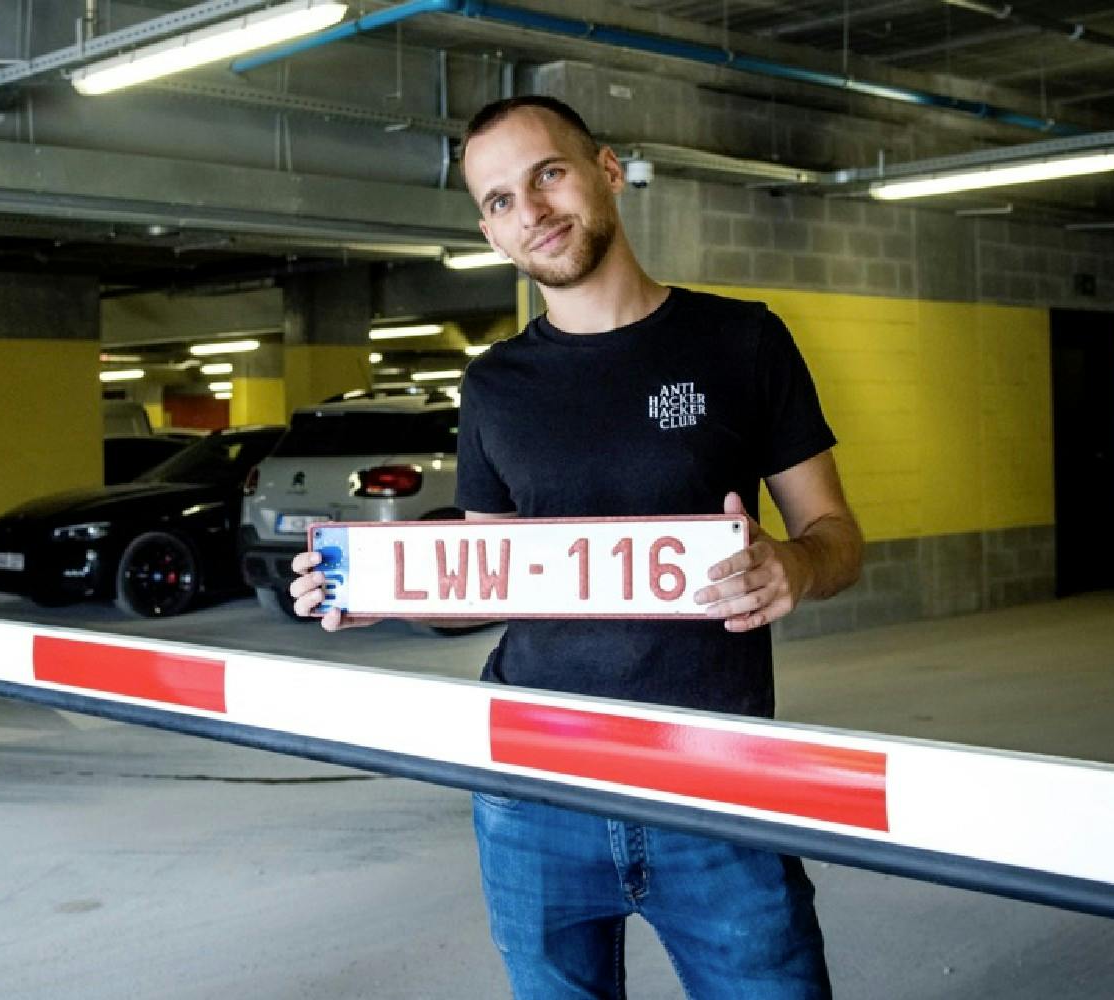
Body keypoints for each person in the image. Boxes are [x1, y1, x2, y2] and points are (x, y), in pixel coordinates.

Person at [290, 94, 864, 999]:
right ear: (489, 229)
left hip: (711, 780)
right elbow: (496, 575)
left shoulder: (742, 341)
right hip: (531, 786)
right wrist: (392, 589)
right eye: (499, 200)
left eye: (546, 174)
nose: (532, 212)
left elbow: (837, 536)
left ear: (605, 169)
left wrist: (794, 564)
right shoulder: (495, 386)